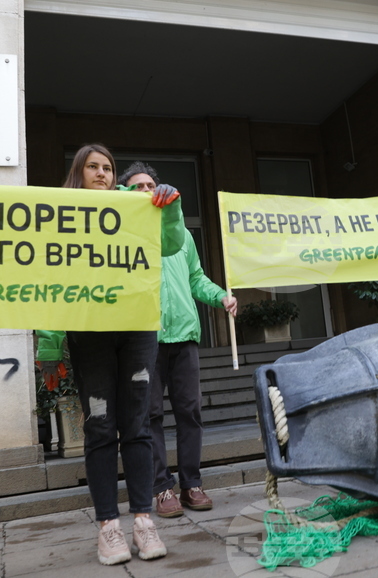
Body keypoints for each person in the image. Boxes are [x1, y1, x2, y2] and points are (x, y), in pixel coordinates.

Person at [35, 146, 185, 565]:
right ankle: (108, 527)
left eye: (108, 168)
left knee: (137, 425)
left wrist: (169, 209)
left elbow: (170, 245)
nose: (101, 173)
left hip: (137, 330)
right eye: (92, 167)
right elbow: (51, 279)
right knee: (100, 427)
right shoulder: (60, 211)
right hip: (90, 333)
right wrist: (49, 347)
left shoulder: (136, 208)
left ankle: (143, 519)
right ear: (77, 173)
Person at [115, 162, 239, 518]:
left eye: (150, 185)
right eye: (136, 186)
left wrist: (221, 297)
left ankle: (192, 484)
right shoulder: (122, 232)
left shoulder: (182, 234)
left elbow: (197, 279)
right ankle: (160, 489)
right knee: (149, 415)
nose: (145, 191)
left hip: (184, 336)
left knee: (190, 412)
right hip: (144, 337)